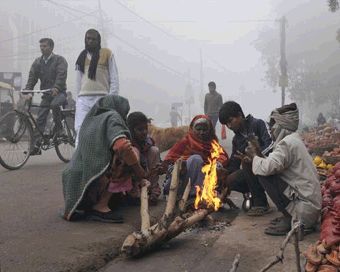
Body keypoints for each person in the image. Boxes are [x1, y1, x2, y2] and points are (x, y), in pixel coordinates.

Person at [236, 103, 321, 236]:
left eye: (273, 127)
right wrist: (257, 153)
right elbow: (272, 163)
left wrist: (253, 155)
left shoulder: (287, 143)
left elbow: (266, 168)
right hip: (309, 209)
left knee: (263, 174)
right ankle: (289, 215)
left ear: (281, 126)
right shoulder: (293, 140)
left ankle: (289, 218)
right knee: (262, 168)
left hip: (304, 213)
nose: (271, 131)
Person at [61, 95, 148, 223]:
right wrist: (141, 172)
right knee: (128, 154)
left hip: (75, 187)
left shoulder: (92, 119)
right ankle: (101, 206)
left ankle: (102, 202)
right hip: (93, 182)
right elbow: (122, 146)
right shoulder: (112, 117)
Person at [218, 101, 274, 216]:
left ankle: (261, 204)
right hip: (255, 173)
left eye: (230, 121)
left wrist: (255, 157)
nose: (229, 126)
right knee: (230, 179)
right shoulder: (236, 140)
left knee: (248, 161)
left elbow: (272, 144)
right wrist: (225, 171)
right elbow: (234, 163)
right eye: (226, 124)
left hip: (271, 167)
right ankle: (252, 194)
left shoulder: (259, 124)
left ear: (239, 115)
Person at [162, 115, 229, 202]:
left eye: (204, 130)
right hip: (179, 183)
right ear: (192, 129)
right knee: (196, 159)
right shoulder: (185, 143)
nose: (201, 132)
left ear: (209, 131)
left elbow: (222, 156)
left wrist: (216, 165)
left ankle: (198, 196)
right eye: (198, 129)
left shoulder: (213, 145)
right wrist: (179, 168)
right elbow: (169, 160)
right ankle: (193, 195)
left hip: (203, 182)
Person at [23, 38, 68, 155]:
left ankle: (59, 129)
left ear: (51, 48)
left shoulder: (59, 60)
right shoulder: (37, 62)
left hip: (60, 93)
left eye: (45, 46)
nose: (42, 48)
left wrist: (57, 87)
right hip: (47, 95)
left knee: (54, 104)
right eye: (41, 46)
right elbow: (32, 78)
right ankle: (36, 145)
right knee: (41, 118)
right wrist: (28, 91)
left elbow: (61, 75)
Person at [75, 29, 119, 146]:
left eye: (93, 39)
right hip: (83, 99)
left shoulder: (107, 54)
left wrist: (111, 98)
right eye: (87, 39)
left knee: (101, 131)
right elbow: (78, 81)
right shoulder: (81, 57)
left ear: (98, 40)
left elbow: (114, 78)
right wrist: (77, 100)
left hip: (102, 98)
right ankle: (79, 161)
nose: (90, 41)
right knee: (80, 130)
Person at [127, 111, 161, 205]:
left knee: (154, 150)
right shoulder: (127, 143)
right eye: (140, 129)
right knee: (134, 152)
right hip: (133, 178)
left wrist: (161, 167)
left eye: (146, 128)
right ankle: (135, 192)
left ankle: (154, 190)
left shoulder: (148, 142)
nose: (144, 132)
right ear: (131, 130)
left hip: (147, 176)